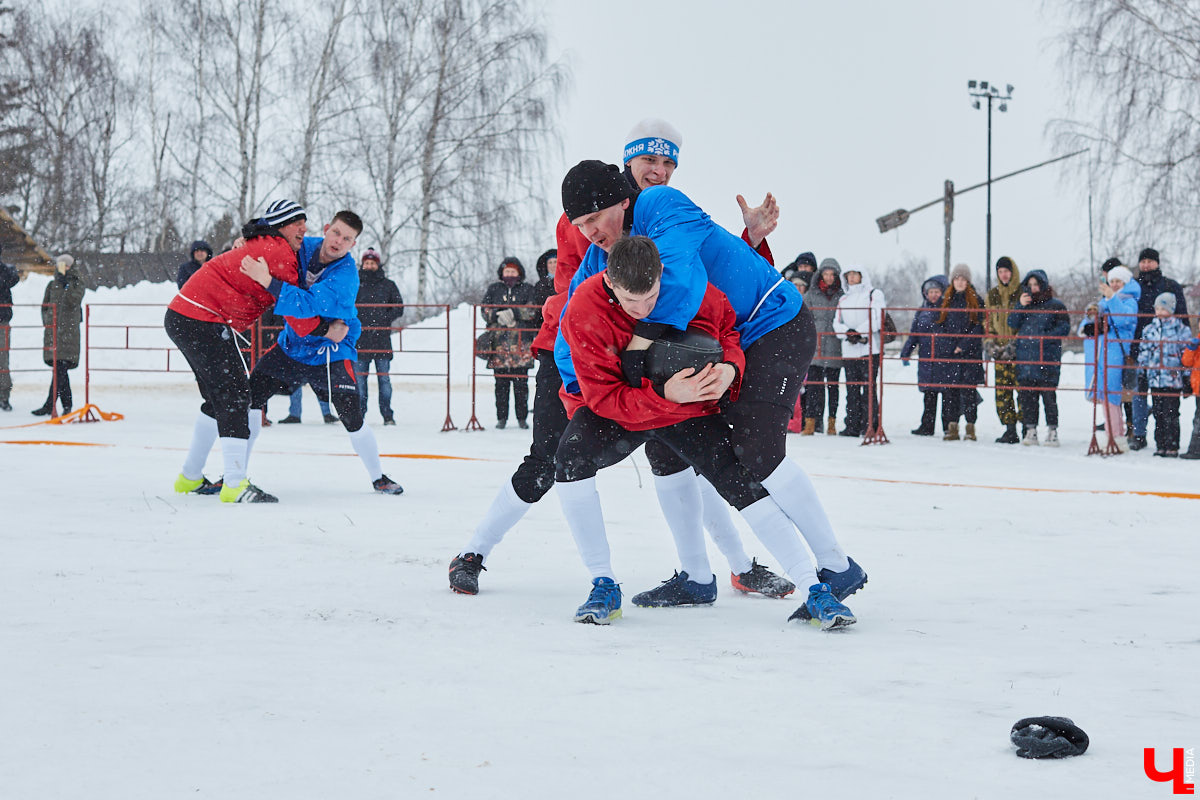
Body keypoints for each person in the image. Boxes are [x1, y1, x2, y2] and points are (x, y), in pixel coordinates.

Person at [448, 122, 790, 601]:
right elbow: (576, 292)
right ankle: (473, 553)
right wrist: (595, 356)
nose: (659, 170)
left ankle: (737, 567)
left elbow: (700, 270)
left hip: (650, 349)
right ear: (627, 162)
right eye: (650, 160)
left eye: (669, 163)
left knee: (686, 454)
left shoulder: (657, 211)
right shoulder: (590, 213)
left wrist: (749, 240)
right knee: (548, 459)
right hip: (580, 352)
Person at [558, 161, 865, 617]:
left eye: (595, 218)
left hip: (771, 326)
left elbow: (678, 280)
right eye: (580, 224)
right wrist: (582, 392)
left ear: (622, 201)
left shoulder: (659, 204)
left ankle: (835, 565)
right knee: (666, 450)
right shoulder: (602, 259)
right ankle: (696, 577)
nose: (590, 232)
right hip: (720, 340)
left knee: (756, 450)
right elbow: (571, 327)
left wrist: (642, 355)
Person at [240, 210, 404, 496]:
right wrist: (245, 242)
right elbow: (271, 242)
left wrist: (269, 281)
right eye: (336, 233)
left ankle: (378, 477)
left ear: (353, 244)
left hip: (332, 350)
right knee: (250, 398)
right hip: (293, 345)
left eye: (347, 239)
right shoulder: (302, 245)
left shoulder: (347, 276)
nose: (338, 241)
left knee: (351, 415)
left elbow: (308, 306)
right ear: (327, 228)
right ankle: (235, 474)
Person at [166, 199, 308, 502]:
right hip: (201, 317)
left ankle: (189, 477)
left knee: (218, 398)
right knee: (236, 395)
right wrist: (323, 323)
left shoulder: (268, 244)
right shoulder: (279, 252)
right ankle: (234, 484)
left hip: (187, 316)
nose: (303, 229)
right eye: (297, 223)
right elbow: (297, 302)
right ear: (281, 226)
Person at [1129, 248, 1190, 450]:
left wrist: (1186, 350)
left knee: (1168, 404)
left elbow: (1183, 316)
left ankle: (1169, 443)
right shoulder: (1134, 286)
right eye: (1143, 261)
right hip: (1142, 345)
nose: (1146, 265)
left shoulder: (1170, 286)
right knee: (1139, 393)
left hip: (1169, 349)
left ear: (1157, 263)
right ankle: (1138, 434)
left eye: (1150, 261)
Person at [1006, 269, 1071, 446]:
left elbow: (1064, 327)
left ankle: (1052, 431)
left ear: (1043, 285)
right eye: (1030, 285)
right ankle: (1031, 430)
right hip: (1026, 358)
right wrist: (1020, 306)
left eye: (1036, 284)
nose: (1033, 288)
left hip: (1047, 358)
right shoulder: (1024, 304)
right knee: (1027, 397)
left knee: (1049, 397)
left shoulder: (1055, 305)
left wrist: (1046, 338)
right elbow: (1011, 323)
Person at [1083, 265, 1140, 450]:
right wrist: (1090, 318)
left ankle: (1116, 436)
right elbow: (1087, 324)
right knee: (1105, 393)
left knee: (1112, 393)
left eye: (1118, 281)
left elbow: (1123, 319)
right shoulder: (1106, 300)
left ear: (1125, 282)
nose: (1114, 284)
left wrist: (1111, 298)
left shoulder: (1129, 301)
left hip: (1116, 351)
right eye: (1112, 281)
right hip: (1104, 351)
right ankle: (1112, 434)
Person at [931, 264, 985, 441]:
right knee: (950, 392)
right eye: (957, 279)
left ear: (968, 281)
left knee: (969, 392)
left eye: (963, 279)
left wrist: (963, 345)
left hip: (969, 354)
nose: (960, 282)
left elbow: (979, 327)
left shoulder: (976, 301)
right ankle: (952, 426)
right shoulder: (944, 301)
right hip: (949, 355)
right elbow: (937, 326)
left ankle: (970, 427)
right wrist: (949, 344)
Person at [481, 256, 536, 429]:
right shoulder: (494, 289)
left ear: (519, 273)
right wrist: (497, 315)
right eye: (507, 271)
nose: (510, 274)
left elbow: (533, 310)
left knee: (521, 385)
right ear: (502, 272)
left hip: (521, 344)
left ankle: (522, 418)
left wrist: (514, 313)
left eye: (513, 271)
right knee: (501, 384)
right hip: (499, 345)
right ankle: (501, 418)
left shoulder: (528, 289)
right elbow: (484, 310)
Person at [832, 267, 885, 437]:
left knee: (869, 388)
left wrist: (859, 332)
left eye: (855, 274)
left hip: (869, 349)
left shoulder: (874, 294)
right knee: (852, 389)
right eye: (849, 275)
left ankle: (870, 424)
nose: (852, 278)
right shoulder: (843, 299)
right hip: (849, 350)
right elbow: (836, 323)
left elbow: (877, 318)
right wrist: (847, 333)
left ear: (862, 276)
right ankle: (852, 424)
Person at [1136, 293, 1191, 457]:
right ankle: (1160, 444)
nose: (1159, 312)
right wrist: (1142, 373)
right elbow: (1144, 353)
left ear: (1171, 309)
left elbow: (1185, 355)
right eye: (1157, 308)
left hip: (1172, 380)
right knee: (1158, 412)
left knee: (1171, 413)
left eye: (1163, 308)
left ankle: (1172, 445)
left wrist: (1186, 376)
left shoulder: (1180, 330)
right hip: (1155, 379)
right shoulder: (1150, 329)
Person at [354, 247, 404, 425]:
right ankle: (359, 415)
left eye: (372, 263)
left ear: (378, 264)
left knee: (384, 380)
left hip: (382, 340)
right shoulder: (355, 284)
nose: (369, 266)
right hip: (360, 340)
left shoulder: (388, 285)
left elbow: (398, 307)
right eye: (366, 263)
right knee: (360, 381)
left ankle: (387, 415)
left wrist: (384, 318)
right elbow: (346, 305)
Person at [32, 254, 85, 417]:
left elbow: (74, 300)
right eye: (61, 265)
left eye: (66, 265)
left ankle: (53, 405)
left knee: (60, 369)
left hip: (69, 334)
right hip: (54, 333)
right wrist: (48, 323)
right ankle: (62, 405)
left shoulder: (77, 283)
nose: (64, 268)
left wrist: (66, 284)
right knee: (59, 370)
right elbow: (45, 307)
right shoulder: (52, 285)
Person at [800, 257, 843, 435]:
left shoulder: (841, 296)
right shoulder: (810, 295)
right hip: (815, 347)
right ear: (820, 275)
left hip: (835, 346)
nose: (829, 277)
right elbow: (804, 320)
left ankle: (832, 423)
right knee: (813, 387)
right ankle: (811, 423)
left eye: (832, 274)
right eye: (826, 274)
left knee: (833, 387)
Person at [900, 274, 948, 436]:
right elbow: (914, 334)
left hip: (943, 358)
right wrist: (906, 352)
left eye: (937, 292)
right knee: (929, 395)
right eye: (930, 292)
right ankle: (927, 426)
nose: (933, 295)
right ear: (926, 294)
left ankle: (948, 426)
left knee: (947, 395)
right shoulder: (922, 311)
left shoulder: (947, 310)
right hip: (927, 358)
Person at [984, 256, 1022, 443]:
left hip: (1019, 352)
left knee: (1022, 390)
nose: (1004, 275)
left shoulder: (1022, 292)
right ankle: (1010, 428)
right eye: (1000, 272)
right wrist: (990, 343)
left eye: (1006, 271)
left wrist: (1015, 344)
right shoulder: (992, 295)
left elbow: (1026, 321)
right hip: (999, 351)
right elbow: (988, 322)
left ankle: (1028, 427)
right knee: (1002, 391)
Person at [0, 245, 20, 412]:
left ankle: (3, 396)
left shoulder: (5, 271)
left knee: (2, 360)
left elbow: (14, 278)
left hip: (2, 321)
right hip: (3, 319)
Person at [1180, 336, 1200, 459]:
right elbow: (1186, 362)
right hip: (1198, 387)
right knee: (1198, 419)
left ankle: (1195, 449)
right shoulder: (1197, 340)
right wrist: (1191, 349)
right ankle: (1195, 449)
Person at [530, 248, 557, 331]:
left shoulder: (567, 282)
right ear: (546, 265)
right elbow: (535, 304)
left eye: (555, 262)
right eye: (550, 262)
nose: (553, 265)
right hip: (543, 322)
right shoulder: (539, 285)